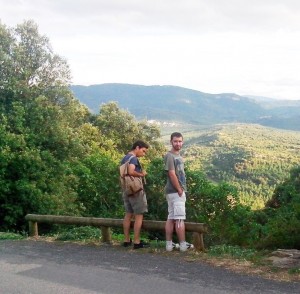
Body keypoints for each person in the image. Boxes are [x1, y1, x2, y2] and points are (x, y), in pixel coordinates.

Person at [164, 132, 194, 252]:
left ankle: (169, 245)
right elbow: (171, 173)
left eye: (180, 141)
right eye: (175, 141)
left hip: (171, 192)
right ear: (171, 141)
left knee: (171, 217)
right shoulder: (170, 156)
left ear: (183, 142)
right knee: (180, 218)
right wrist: (180, 189)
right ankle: (182, 245)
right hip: (176, 192)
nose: (178, 143)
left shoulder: (177, 156)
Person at [120, 140, 150, 249]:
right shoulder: (133, 158)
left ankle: (126, 240)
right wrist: (142, 174)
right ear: (137, 148)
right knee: (139, 215)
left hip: (126, 189)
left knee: (128, 214)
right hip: (135, 190)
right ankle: (137, 242)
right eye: (143, 151)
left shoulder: (124, 158)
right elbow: (131, 171)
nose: (143, 153)